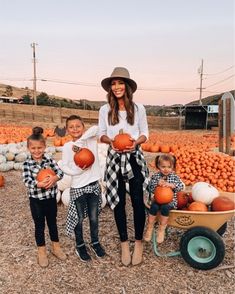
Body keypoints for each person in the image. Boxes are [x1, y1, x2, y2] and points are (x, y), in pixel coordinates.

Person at [98, 67, 149, 266]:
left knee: (137, 199)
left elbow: (145, 132)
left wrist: (136, 142)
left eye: (120, 83)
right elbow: (101, 133)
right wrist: (110, 141)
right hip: (114, 158)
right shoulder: (104, 109)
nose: (117, 87)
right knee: (118, 201)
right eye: (114, 83)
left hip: (133, 157)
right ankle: (123, 243)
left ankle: (138, 243)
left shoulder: (138, 109)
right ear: (110, 88)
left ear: (127, 87)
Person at [60, 115, 105, 262]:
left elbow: (96, 128)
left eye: (78, 126)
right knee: (78, 219)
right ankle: (80, 244)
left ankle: (95, 242)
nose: (75, 129)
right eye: (71, 127)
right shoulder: (67, 147)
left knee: (94, 217)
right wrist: (78, 171)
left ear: (83, 127)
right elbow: (65, 166)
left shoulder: (90, 139)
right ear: (67, 130)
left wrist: (80, 142)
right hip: (78, 187)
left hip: (93, 186)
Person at [22, 127, 66, 268]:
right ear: (29, 148)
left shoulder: (49, 160)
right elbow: (26, 181)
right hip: (36, 200)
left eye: (39, 148)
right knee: (39, 226)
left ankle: (56, 247)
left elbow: (60, 172)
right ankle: (41, 251)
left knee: (52, 223)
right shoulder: (27, 164)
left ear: (44, 147)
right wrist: (38, 183)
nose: (37, 151)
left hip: (51, 198)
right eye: (33, 148)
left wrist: (54, 178)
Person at [144, 154, 184, 243]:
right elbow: (150, 188)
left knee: (165, 207)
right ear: (158, 166)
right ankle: (150, 227)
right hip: (157, 200)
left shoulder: (175, 177)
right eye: (163, 166)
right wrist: (157, 184)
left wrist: (172, 185)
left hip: (170, 201)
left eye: (169, 167)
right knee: (153, 207)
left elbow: (181, 186)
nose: (166, 169)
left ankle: (161, 229)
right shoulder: (156, 176)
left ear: (173, 167)